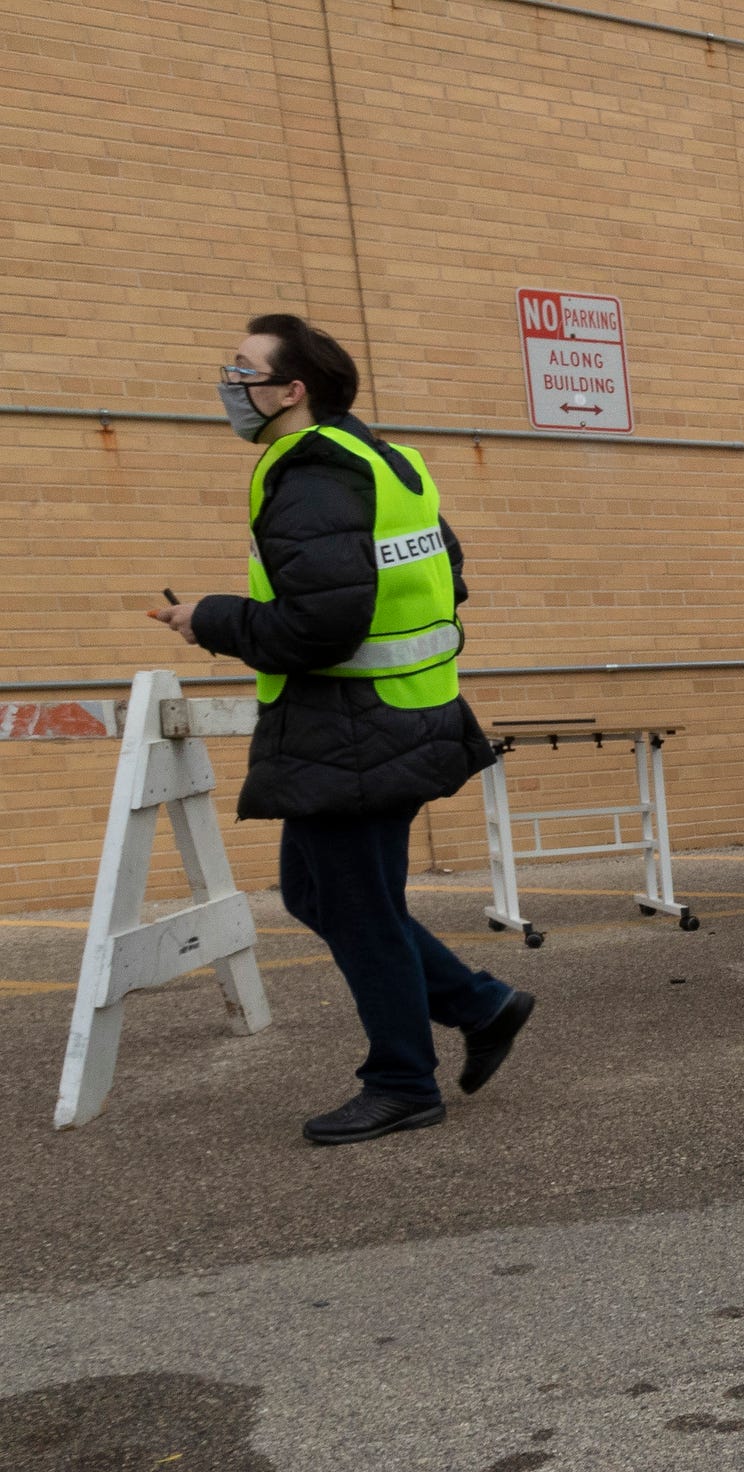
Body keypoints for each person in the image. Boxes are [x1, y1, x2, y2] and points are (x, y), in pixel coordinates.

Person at [148, 314, 533, 1145]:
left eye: (244, 370)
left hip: (357, 731)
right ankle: (480, 1005)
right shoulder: (379, 459)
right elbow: (447, 577)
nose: (229, 383)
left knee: (356, 907)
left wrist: (210, 617)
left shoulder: (312, 474)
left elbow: (320, 626)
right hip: (394, 718)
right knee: (318, 893)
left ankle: (403, 1081)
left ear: (294, 390)